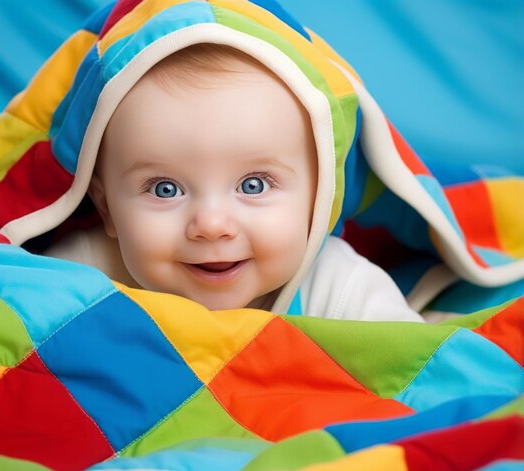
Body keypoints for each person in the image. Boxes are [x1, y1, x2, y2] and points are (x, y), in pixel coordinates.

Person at [45, 43, 424, 323]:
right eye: (165, 189)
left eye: (254, 185)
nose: (211, 226)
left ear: (319, 198)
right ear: (107, 207)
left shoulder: (340, 290)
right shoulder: (82, 277)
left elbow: (421, 375)